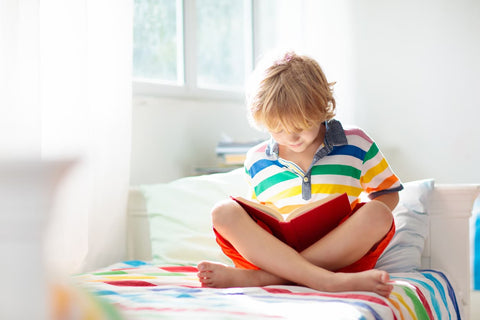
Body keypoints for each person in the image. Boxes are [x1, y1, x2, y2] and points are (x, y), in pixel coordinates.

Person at [197, 51, 403, 297]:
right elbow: (262, 218)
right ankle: (322, 280)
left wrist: (361, 218)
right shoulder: (256, 158)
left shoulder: (356, 142)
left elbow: (388, 194)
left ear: (322, 108)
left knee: (378, 213)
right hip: (277, 252)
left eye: (300, 127)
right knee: (223, 212)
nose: (290, 138)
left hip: (340, 253)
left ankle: (266, 279)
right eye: (278, 129)